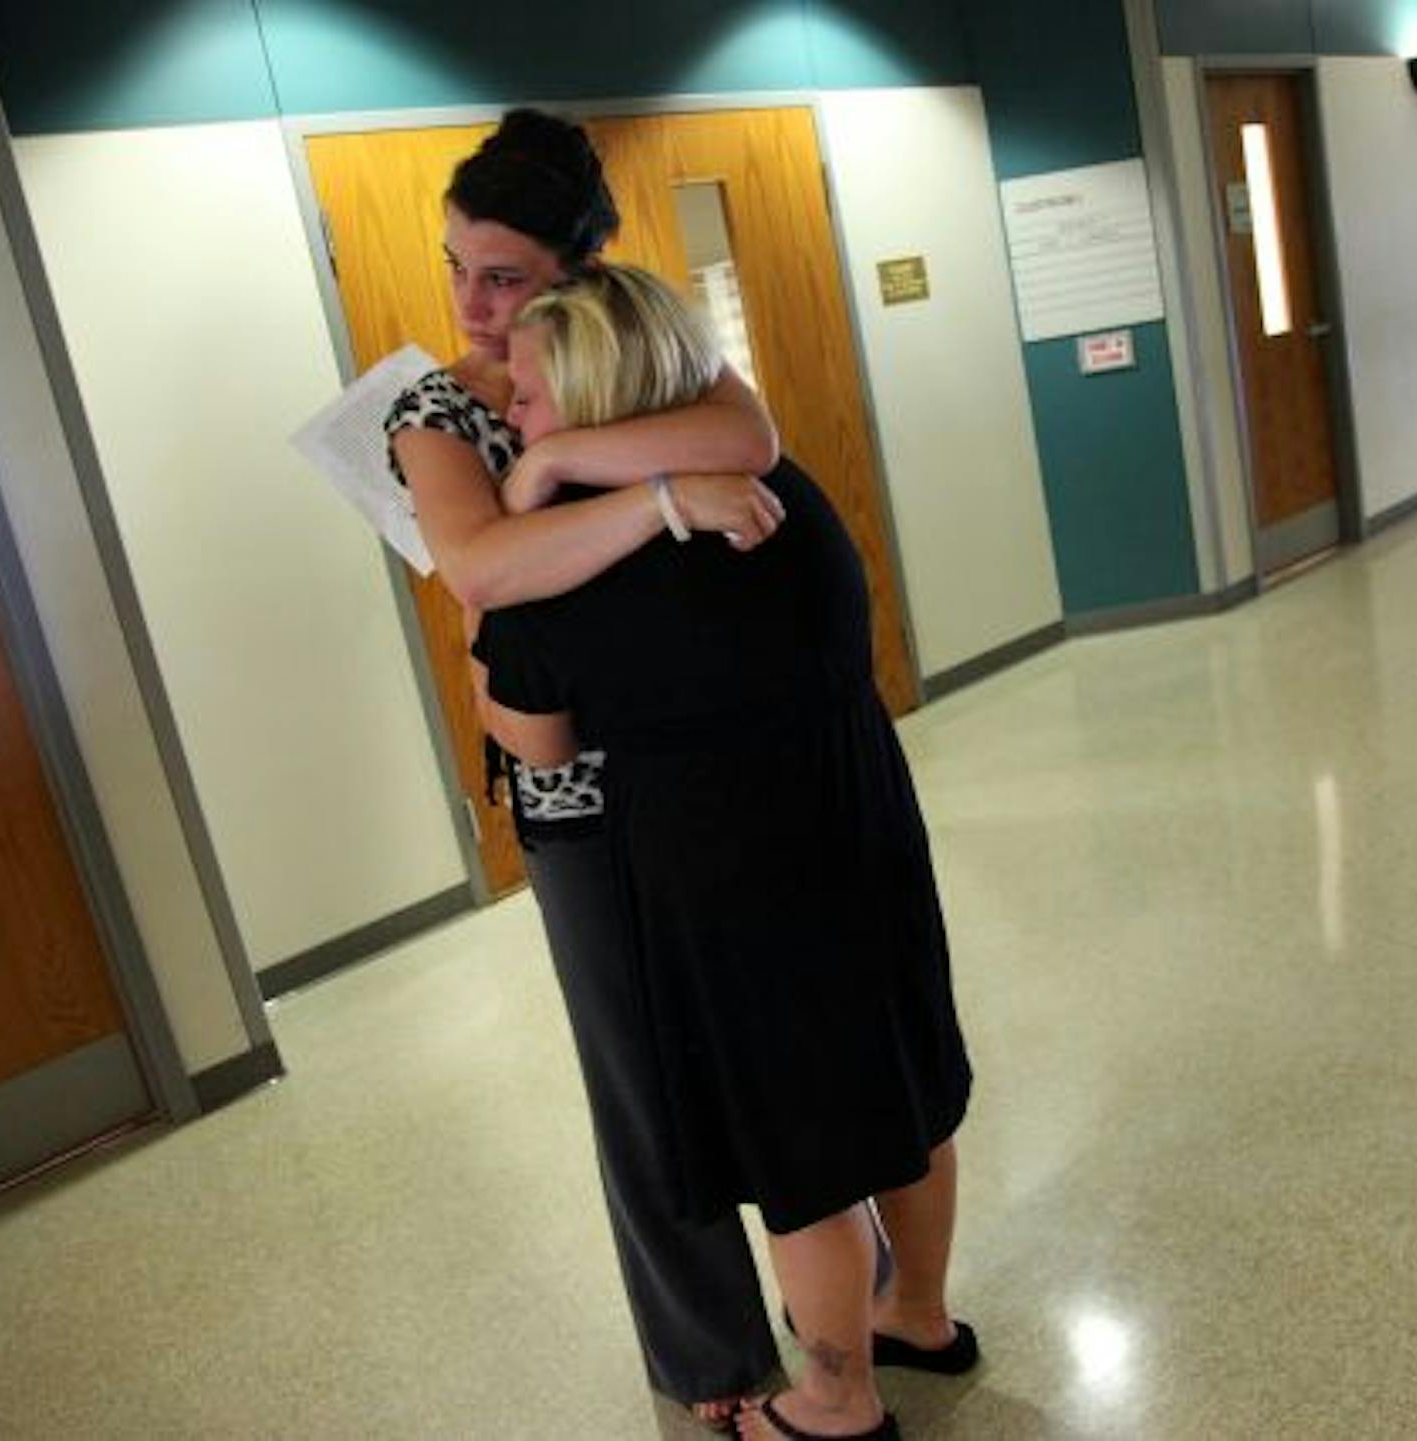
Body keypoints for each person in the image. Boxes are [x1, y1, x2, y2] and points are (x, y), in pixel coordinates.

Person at [484, 264, 977, 1441]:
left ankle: (835, 1400)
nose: (511, 418)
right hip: (859, 819)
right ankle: (919, 1312)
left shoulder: (567, 570)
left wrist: (492, 600)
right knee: (900, 1080)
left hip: (725, 873)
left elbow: (538, 736)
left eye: (528, 398)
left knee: (798, 1149)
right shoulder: (784, 494)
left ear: (597, 402)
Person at [383, 110, 788, 1432]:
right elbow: (485, 569)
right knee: (640, 1078)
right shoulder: (432, 405)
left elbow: (755, 441)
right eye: (457, 267)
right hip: (568, 786)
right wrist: (656, 499)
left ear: (577, 266)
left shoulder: (652, 352)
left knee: (767, 1038)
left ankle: (840, 1292)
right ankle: (711, 1356)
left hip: (706, 754)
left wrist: (556, 462)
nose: (476, 305)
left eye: (505, 275)